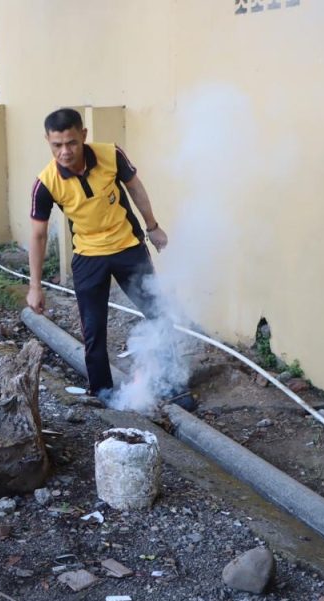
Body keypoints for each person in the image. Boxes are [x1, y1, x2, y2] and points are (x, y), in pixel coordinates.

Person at [27, 107, 192, 408]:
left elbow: (136, 188)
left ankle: (173, 385)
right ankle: (102, 393)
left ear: (84, 136)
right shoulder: (46, 182)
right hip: (89, 257)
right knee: (93, 329)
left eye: (72, 143)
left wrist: (152, 227)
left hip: (128, 248)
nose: (65, 151)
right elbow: (38, 235)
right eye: (57, 145)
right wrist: (35, 286)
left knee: (157, 312)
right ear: (48, 142)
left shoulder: (111, 154)